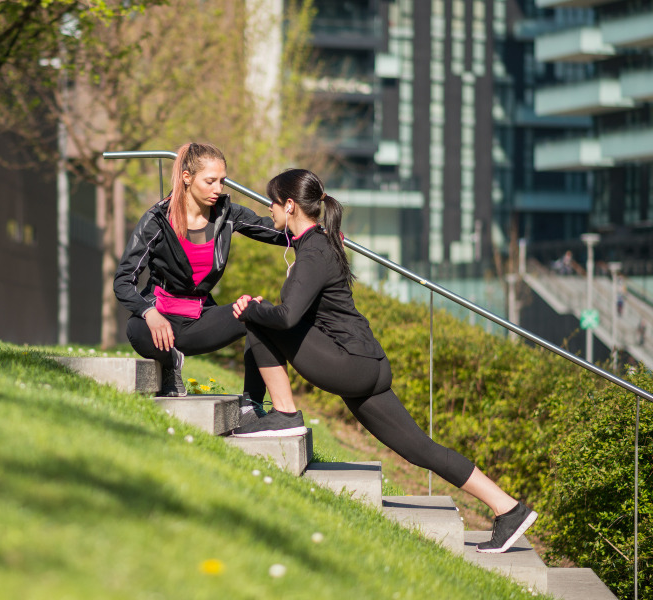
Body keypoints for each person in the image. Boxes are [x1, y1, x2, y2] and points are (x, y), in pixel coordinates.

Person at [229, 168, 538, 554]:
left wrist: (254, 307)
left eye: (272, 202)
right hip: (367, 363)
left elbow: (288, 318)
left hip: (351, 364)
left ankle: (279, 413)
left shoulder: (312, 251)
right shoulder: (322, 241)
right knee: (418, 449)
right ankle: (508, 509)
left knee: (256, 316)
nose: (269, 209)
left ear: (290, 206)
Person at [113, 142, 287, 398]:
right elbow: (124, 281)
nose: (218, 189)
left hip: (199, 321)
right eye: (210, 181)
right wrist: (149, 312)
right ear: (187, 177)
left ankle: (252, 404)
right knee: (135, 329)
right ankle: (172, 365)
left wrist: (314, 232)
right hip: (160, 322)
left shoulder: (227, 214)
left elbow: (276, 232)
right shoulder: (157, 220)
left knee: (260, 312)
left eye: (222, 181)